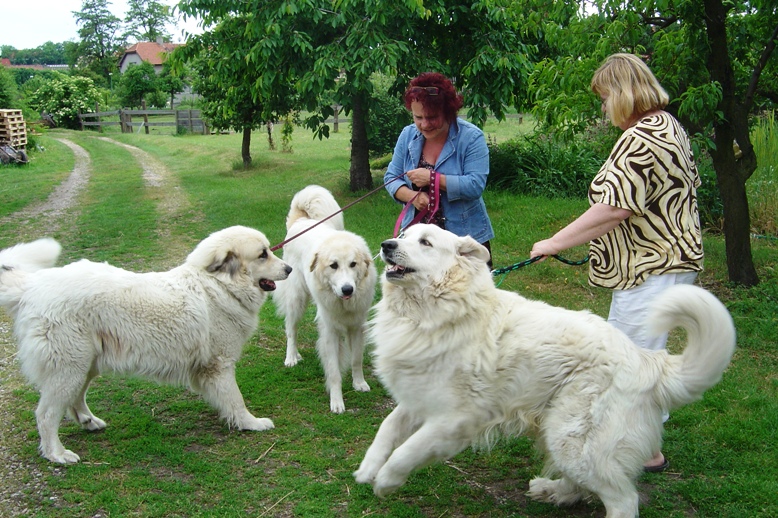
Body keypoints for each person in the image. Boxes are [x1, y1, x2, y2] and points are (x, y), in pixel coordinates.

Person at [530, 53, 704, 472]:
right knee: (637, 358)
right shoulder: (666, 126)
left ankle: (639, 451)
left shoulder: (643, 136)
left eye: (605, 96)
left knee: (629, 362)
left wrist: (554, 242)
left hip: (653, 268)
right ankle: (639, 445)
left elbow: (614, 208)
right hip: (665, 263)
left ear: (624, 93)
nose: (603, 107)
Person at [385, 72, 495, 266]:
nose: (424, 124)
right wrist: (413, 197)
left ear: (448, 112)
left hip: (462, 240)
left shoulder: (471, 138)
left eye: (432, 117)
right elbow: (391, 178)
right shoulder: (407, 135)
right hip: (416, 242)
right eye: (418, 117)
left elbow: (475, 185)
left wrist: (432, 178)